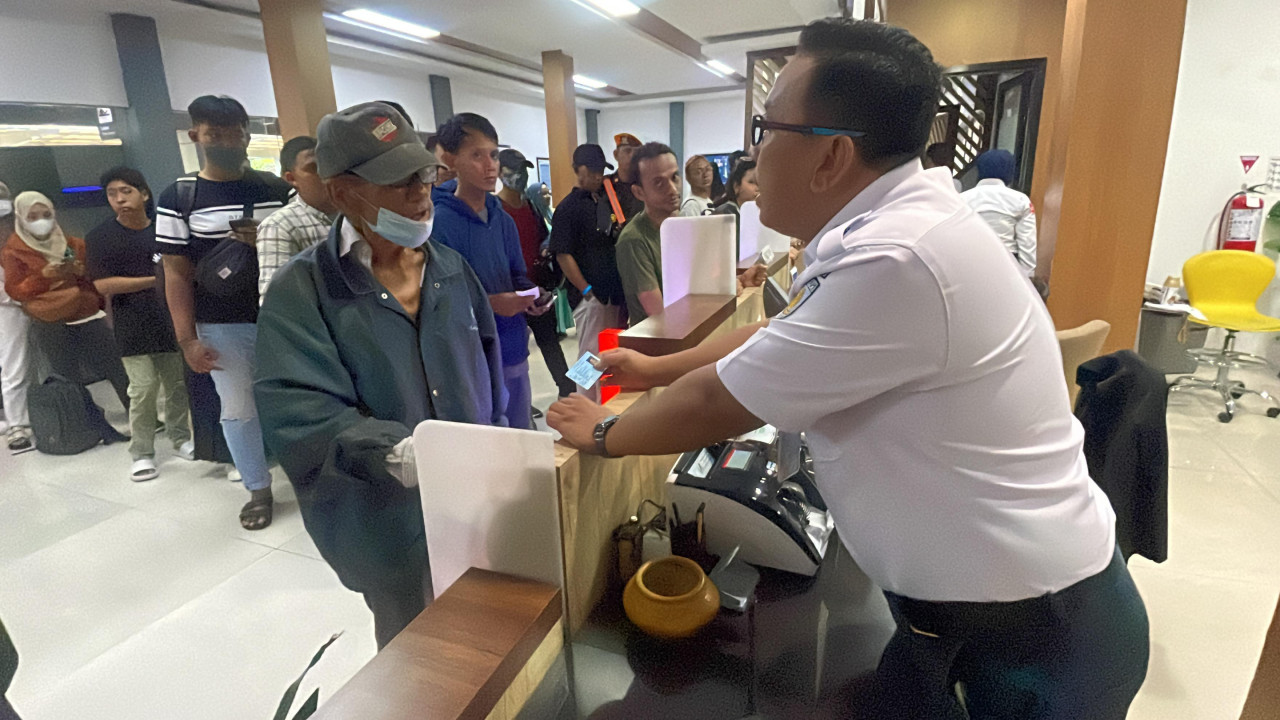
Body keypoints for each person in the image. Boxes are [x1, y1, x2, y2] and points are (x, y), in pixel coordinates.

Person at [549, 18, 1147, 719]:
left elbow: (718, 404)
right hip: (969, 612)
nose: (755, 152)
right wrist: (658, 367)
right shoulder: (878, 234)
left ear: (830, 157)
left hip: (1033, 641)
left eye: (766, 130)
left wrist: (600, 435)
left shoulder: (900, 258)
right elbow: (781, 330)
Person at [255, 102, 505, 649]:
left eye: (422, 174)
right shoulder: (304, 292)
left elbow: (490, 375)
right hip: (388, 521)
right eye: (396, 181)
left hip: (476, 505)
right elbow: (299, 410)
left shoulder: (450, 270)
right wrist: (405, 452)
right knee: (417, 653)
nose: (420, 193)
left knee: (491, 637)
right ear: (343, 193)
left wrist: (505, 458)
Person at [156, 95, 292, 530]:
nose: (226, 141)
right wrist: (187, 339)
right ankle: (258, 489)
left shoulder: (276, 188)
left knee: (299, 398)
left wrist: (267, 241)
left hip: (286, 317)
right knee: (238, 408)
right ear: (196, 135)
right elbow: (176, 273)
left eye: (234, 132)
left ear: (246, 135)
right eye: (215, 133)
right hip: (220, 322)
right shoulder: (179, 196)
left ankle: (311, 476)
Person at [431, 113, 543, 430]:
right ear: (451, 160)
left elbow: (516, 274)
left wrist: (530, 296)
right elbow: (442, 300)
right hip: (472, 355)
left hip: (512, 343)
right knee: (488, 436)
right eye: (476, 155)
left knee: (521, 428)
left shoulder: (503, 219)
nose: (489, 165)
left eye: (493, 154)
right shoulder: (440, 224)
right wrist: (495, 303)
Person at [85, 167, 193, 481]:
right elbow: (103, 286)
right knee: (143, 389)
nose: (120, 200)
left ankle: (180, 438)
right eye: (112, 194)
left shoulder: (165, 229)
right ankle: (142, 452)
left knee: (176, 387)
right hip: (131, 326)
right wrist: (156, 279)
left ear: (144, 194)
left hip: (170, 319)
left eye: (126, 191)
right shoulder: (100, 237)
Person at [2, 191, 131, 426]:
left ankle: (137, 414)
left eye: (46, 214)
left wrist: (79, 273)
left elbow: (89, 276)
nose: (41, 220)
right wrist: (42, 277)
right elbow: (15, 290)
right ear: (20, 218)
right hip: (50, 319)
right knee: (68, 374)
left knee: (113, 365)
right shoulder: (14, 251)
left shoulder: (71, 243)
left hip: (84, 313)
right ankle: (85, 423)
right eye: (32, 216)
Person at [550, 144, 628, 394]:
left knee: (606, 354)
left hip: (612, 293)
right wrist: (586, 290)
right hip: (592, 297)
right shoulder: (567, 208)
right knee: (589, 356)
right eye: (591, 170)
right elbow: (563, 254)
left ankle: (602, 402)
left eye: (600, 171)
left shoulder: (603, 203)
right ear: (577, 170)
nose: (596, 176)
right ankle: (583, 403)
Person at [497, 148, 574, 400]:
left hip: (538, 287)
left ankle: (567, 388)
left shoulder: (530, 205)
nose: (520, 176)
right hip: (511, 291)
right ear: (500, 172)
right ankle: (520, 401)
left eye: (523, 171)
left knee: (550, 342)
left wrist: (546, 248)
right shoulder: (496, 209)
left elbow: (541, 237)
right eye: (514, 171)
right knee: (515, 353)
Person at [257, 136, 337, 294]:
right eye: (313, 168)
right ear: (291, 178)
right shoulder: (280, 226)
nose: (325, 174)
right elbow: (277, 300)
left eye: (329, 165)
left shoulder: (357, 214)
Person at [615, 143, 682, 326]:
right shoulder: (634, 240)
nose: (673, 190)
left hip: (689, 331)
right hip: (657, 344)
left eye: (674, 177)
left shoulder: (683, 225)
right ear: (639, 192)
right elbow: (657, 312)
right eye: (659, 183)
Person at [962, 149, 1038, 278]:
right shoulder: (1020, 200)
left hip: (969, 264)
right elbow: (1027, 244)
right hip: (1007, 266)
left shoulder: (961, 199)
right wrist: (1028, 277)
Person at [0, 182, 32, 454]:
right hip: (8, 308)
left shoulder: (21, 226)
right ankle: (17, 424)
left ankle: (70, 408)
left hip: (39, 301)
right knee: (13, 366)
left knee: (51, 360)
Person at [604, 133, 643, 223]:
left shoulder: (647, 187)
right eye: (627, 151)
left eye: (637, 153)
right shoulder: (604, 186)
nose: (633, 156)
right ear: (616, 154)